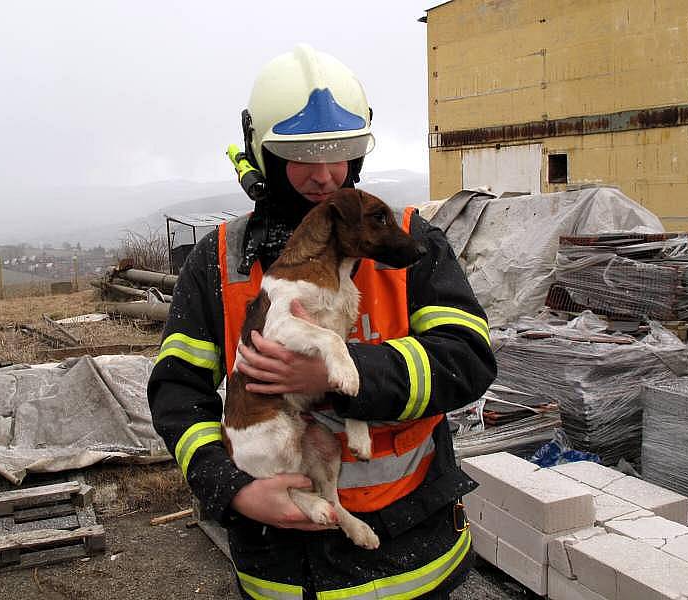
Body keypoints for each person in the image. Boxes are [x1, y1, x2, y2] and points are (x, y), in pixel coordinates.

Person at [147, 44, 496, 600]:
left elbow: (468, 360)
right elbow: (176, 392)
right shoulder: (217, 260)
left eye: (341, 154)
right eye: (301, 155)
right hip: (281, 570)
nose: (325, 176)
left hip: (412, 557)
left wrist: (339, 373)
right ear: (261, 157)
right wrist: (232, 489)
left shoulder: (409, 241)